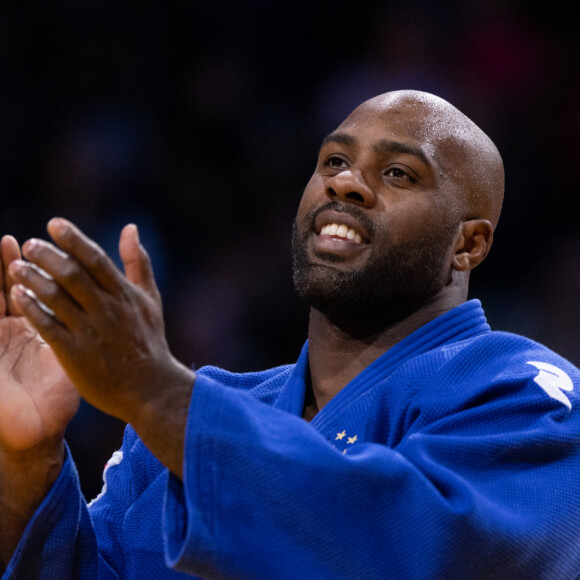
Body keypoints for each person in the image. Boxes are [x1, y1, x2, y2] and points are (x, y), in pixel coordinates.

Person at [1, 90, 579, 579]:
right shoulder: (190, 416)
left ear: (469, 243)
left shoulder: (527, 396)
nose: (347, 183)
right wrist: (27, 462)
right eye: (332, 161)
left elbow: (411, 548)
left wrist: (157, 395)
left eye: (398, 173)